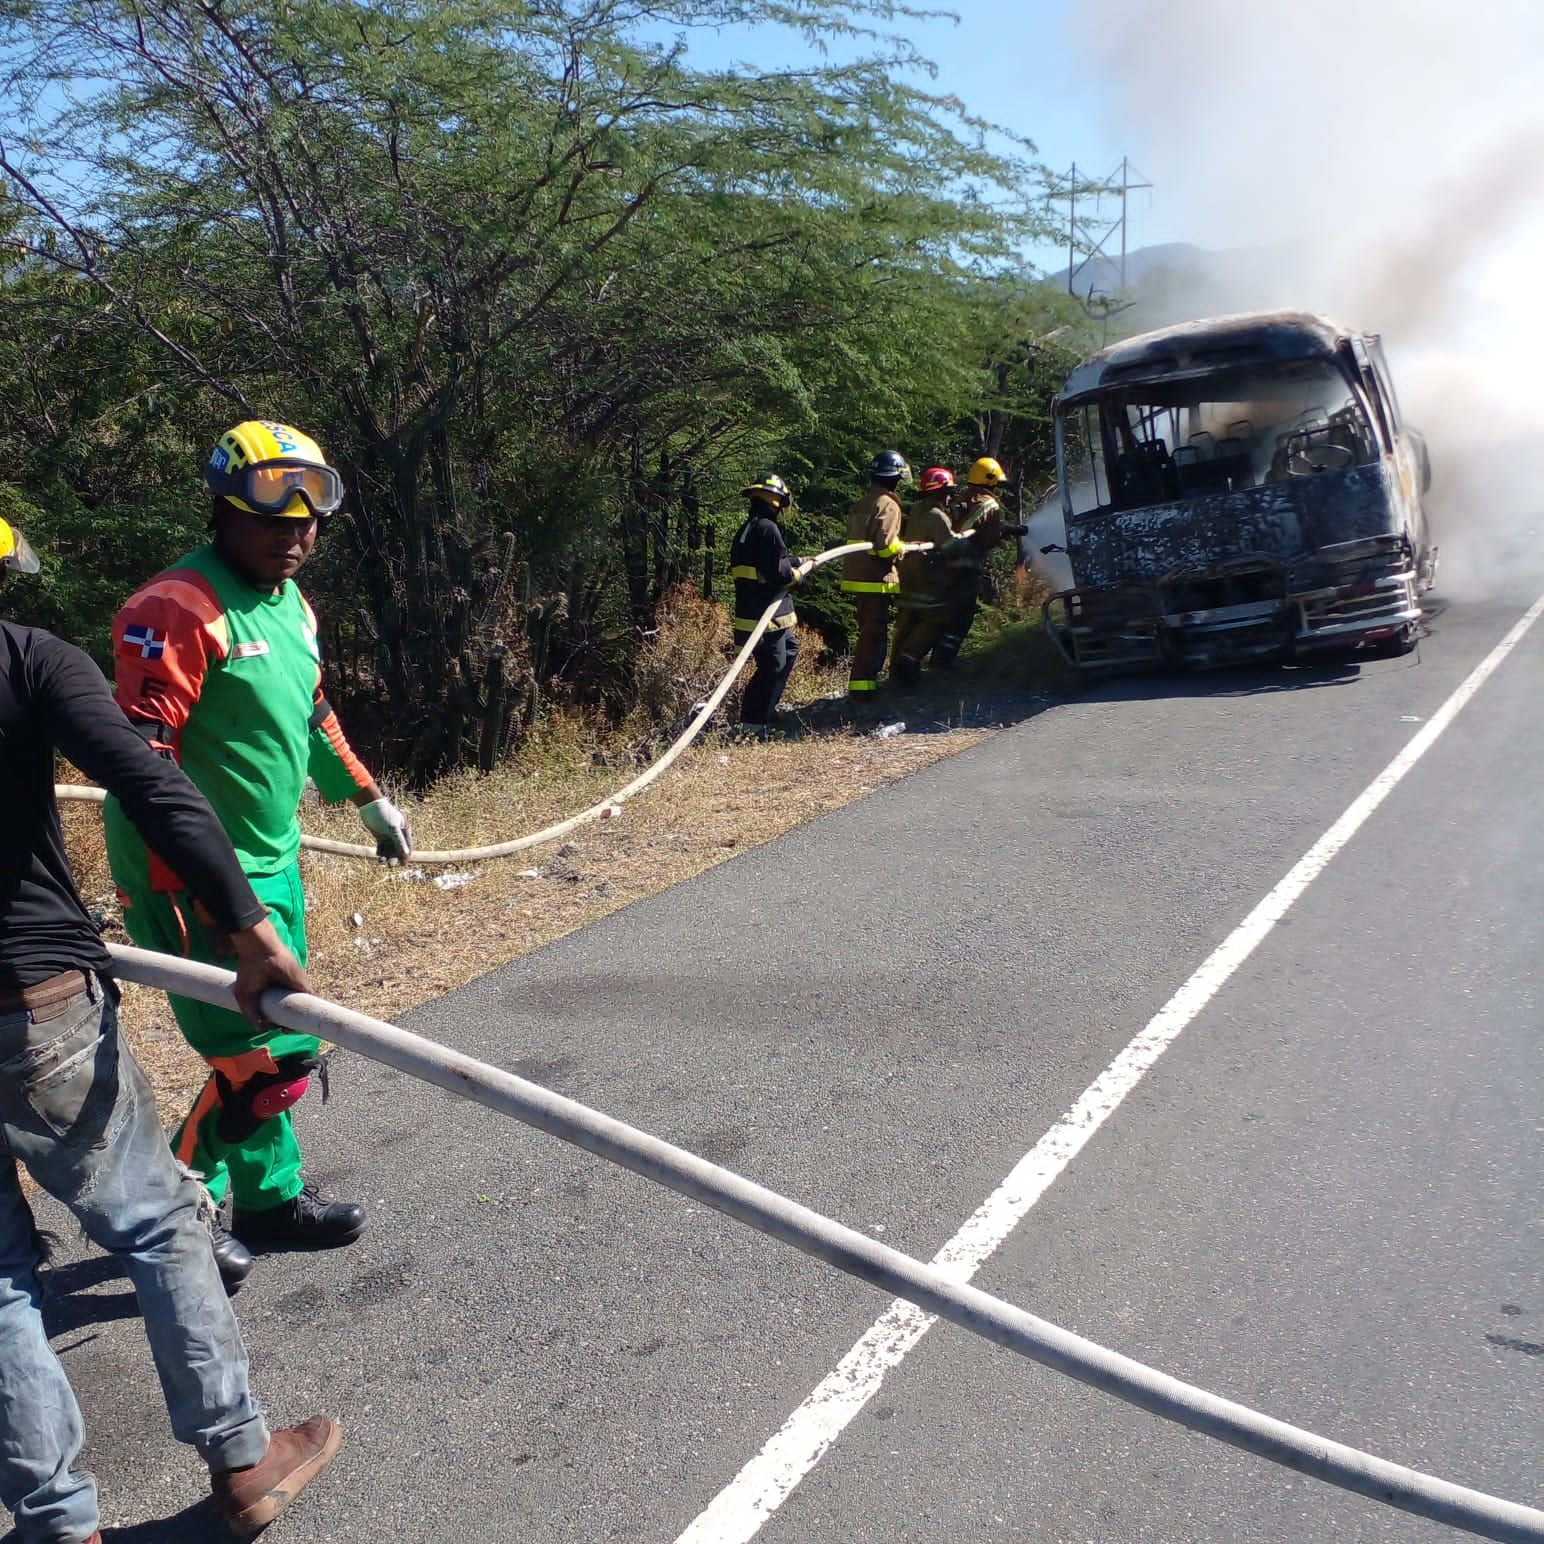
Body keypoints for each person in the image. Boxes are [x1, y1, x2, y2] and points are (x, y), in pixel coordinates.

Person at [0, 513, 341, 1544]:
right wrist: (248, 925)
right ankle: (243, 1463)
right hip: (31, 998)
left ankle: (59, 1523)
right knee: (157, 1221)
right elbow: (150, 779)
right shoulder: (26, 656)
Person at [103, 420, 412, 1291]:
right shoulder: (174, 609)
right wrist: (223, 898)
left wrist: (368, 799)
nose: (297, 535)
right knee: (263, 1066)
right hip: (190, 876)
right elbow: (143, 762)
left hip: (272, 860)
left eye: (312, 521)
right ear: (224, 510)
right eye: (276, 519)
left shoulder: (293, 605)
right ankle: (169, 1223)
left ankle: (268, 1204)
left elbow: (310, 715)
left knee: (277, 1039)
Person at [729, 474, 812, 738]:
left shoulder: (750, 528)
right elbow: (779, 574)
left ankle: (767, 711)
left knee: (789, 649)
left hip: (759, 611)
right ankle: (753, 723)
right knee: (772, 664)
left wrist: (798, 560)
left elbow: (773, 559)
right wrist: (799, 575)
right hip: (764, 614)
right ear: (777, 501)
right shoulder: (768, 528)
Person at [933, 455, 1011, 671]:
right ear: (990, 480)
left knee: (949, 614)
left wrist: (1005, 529)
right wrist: (998, 534)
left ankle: (937, 661)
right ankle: (942, 664)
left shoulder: (965, 498)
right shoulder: (988, 503)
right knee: (962, 617)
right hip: (965, 568)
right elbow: (972, 534)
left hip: (946, 567)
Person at [840, 450, 908, 696]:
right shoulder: (888, 505)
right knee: (874, 634)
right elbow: (886, 548)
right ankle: (864, 689)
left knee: (867, 631)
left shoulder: (863, 503)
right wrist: (902, 550)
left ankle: (863, 685)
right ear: (894, 478)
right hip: (875, 579)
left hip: (857, 576)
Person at [888, 466, 957, 686]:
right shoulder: (937, 516)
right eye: (948, 492)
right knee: (937, 618)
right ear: (938, 492)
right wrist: (967, 542)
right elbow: (951, 547)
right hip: (928, 580)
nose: (950, 497)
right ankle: (910, 659)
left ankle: (896, 672)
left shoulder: (918, 510)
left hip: (909, 578)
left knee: (907, 621)